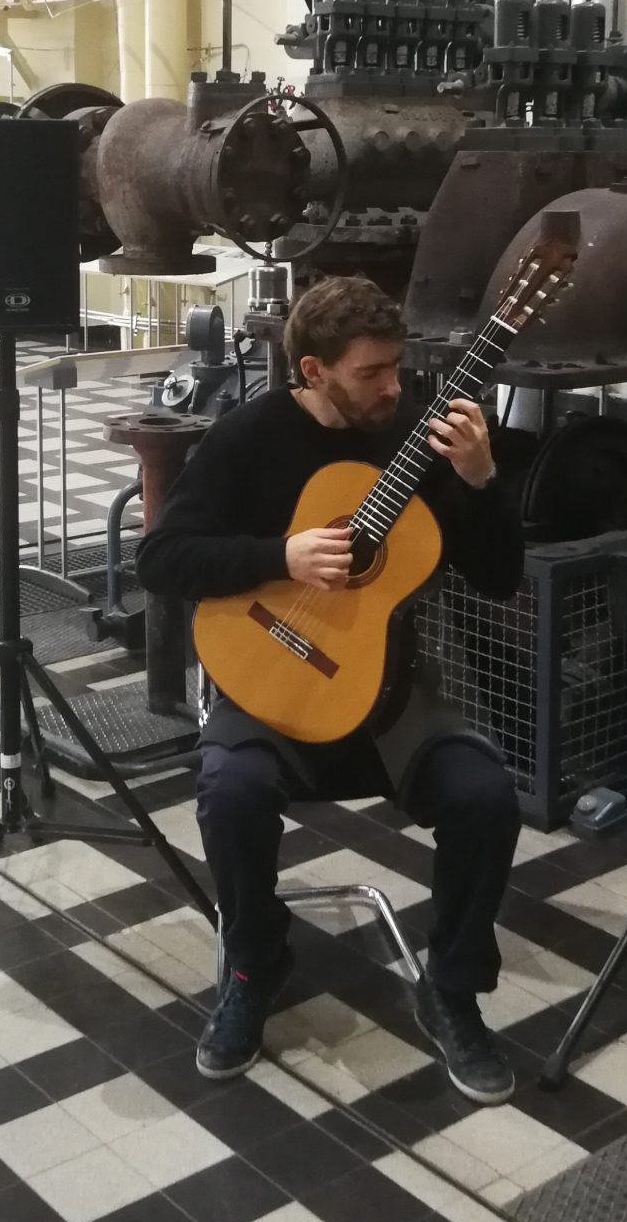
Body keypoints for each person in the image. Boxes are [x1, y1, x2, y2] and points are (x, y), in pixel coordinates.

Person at [135, 274, 526, 1105]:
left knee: (487, 797)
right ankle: (254, 961)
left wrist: (485, 482)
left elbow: (498, 578)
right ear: (312, 372)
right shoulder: (247, 439)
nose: (394, 387)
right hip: (273, 679)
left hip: (390, 695)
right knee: (230, 793)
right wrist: (282, 557)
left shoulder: (413, 445)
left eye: (398, 367)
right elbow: (161, 560)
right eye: (372, 373)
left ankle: (452, 989)